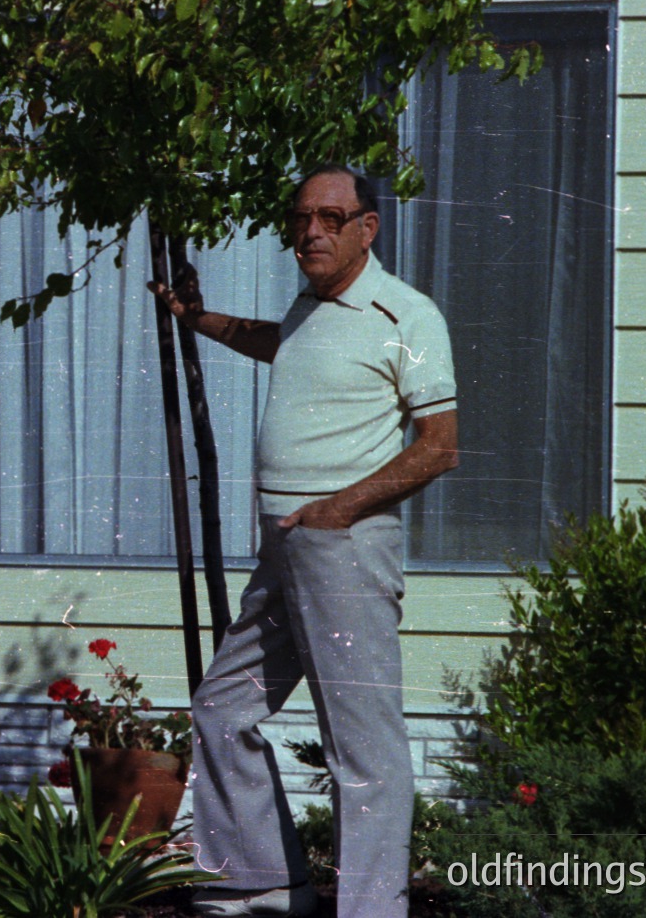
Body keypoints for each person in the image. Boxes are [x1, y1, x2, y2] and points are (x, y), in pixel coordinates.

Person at [149, 166, 459, 918]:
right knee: (223, 710)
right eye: (300, 219)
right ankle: (260, 885)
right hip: (284, 550)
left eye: (329, 217)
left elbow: (440, 446)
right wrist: (201, 320)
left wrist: (338, 508)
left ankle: (370, 910)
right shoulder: (309, 308)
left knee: (364, 750)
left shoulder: (405, 316)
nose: (310, 232)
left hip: (342, 548)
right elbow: (278, 343)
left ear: (367, 227)